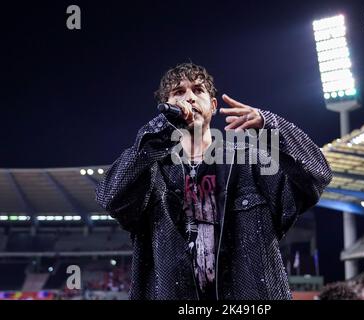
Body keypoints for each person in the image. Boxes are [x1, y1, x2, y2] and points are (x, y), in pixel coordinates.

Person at [95, 62, 332, 300]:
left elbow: (317, 174)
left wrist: (270, 125)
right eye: (179, 92)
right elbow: (110, 198)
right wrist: (158, 132)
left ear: (214, 105)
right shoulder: (149, 172)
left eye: (198, 90)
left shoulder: (249, 161)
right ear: (165, 108)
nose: (189, 98)